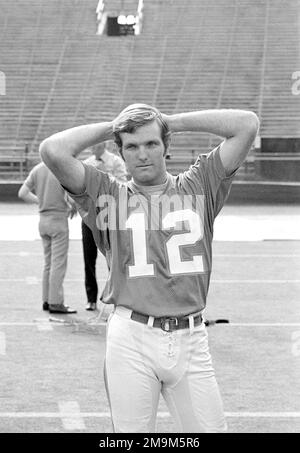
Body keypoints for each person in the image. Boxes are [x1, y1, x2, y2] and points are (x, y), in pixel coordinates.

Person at [39, 104, 259, 432]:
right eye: (131, 146)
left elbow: (246, 124)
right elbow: (53, 150)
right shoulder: (107, 195)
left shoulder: (199, 184)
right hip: (132, 337)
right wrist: (116, 125)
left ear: (166, 147)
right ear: (121, 152)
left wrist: (169, 121)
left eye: (151, 144)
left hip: (191, 336)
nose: (142, 154)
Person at [18, 161, 77, 314]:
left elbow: (22, 193)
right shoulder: (60, 169)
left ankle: (46, 299)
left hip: (43, 219)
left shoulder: (37, 169)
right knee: (58, 264)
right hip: (58, 220)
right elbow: (71, 195)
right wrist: (73, 206)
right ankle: (56, 302)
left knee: (48, 263)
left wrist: (41, 201)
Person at [82, 142, 127, 311]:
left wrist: (104, 176)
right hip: (90, 214)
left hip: (110, 215)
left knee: (113, 258)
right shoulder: (86, 163)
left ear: (104, 145)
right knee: (89, 257)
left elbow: (123, 184)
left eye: (96, 145)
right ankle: (91, 298)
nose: (92, 148)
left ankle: (117, 297)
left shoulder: (115, 161)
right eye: (91, 146)